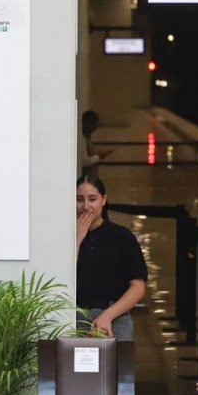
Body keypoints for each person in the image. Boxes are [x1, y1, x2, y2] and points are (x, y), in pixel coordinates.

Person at [75, 175, 147, 340]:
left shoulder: (122, 236)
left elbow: (138, 287)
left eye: (92, 199)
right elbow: (59, 275)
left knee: (116, 356)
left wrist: (108, 315)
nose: (86, 206)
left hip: (114, 316)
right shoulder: (66, 237)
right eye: (79, 200)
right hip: (74, 316)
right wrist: (77, 239)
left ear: (104, 200)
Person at [80, 110, 111, 178]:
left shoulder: (86, 138)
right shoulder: (81, 138)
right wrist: (98, 156)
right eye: (93, 125)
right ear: (86, 123)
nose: (94, 129)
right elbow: (84, 162)